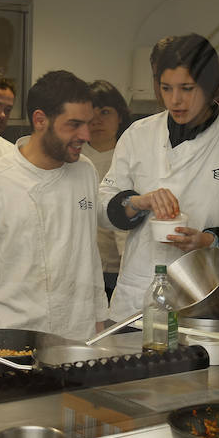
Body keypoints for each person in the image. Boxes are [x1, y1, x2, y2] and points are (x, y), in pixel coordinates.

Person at [99, 33, 219, 322]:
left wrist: (209, 241)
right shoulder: (138, 135)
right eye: (166, 88)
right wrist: (137, 202)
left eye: (187, 88)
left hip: (201, 305)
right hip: (135, 302)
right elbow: (104, 207)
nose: (175, 100)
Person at [0, 70, 108, 338]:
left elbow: (88, 256)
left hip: (77, 334)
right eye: (74, 124)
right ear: (40, 120)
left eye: (88, 123)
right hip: (13, 337)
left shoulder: (85, 171)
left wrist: (99, 318)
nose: (86, 135)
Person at [81, 80, 131, 300]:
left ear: (120, 116)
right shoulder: (73, 159)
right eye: (91, 113)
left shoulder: (132, 157)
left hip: (118, 269)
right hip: (80, 270)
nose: (97, 120)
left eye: (105, 112)